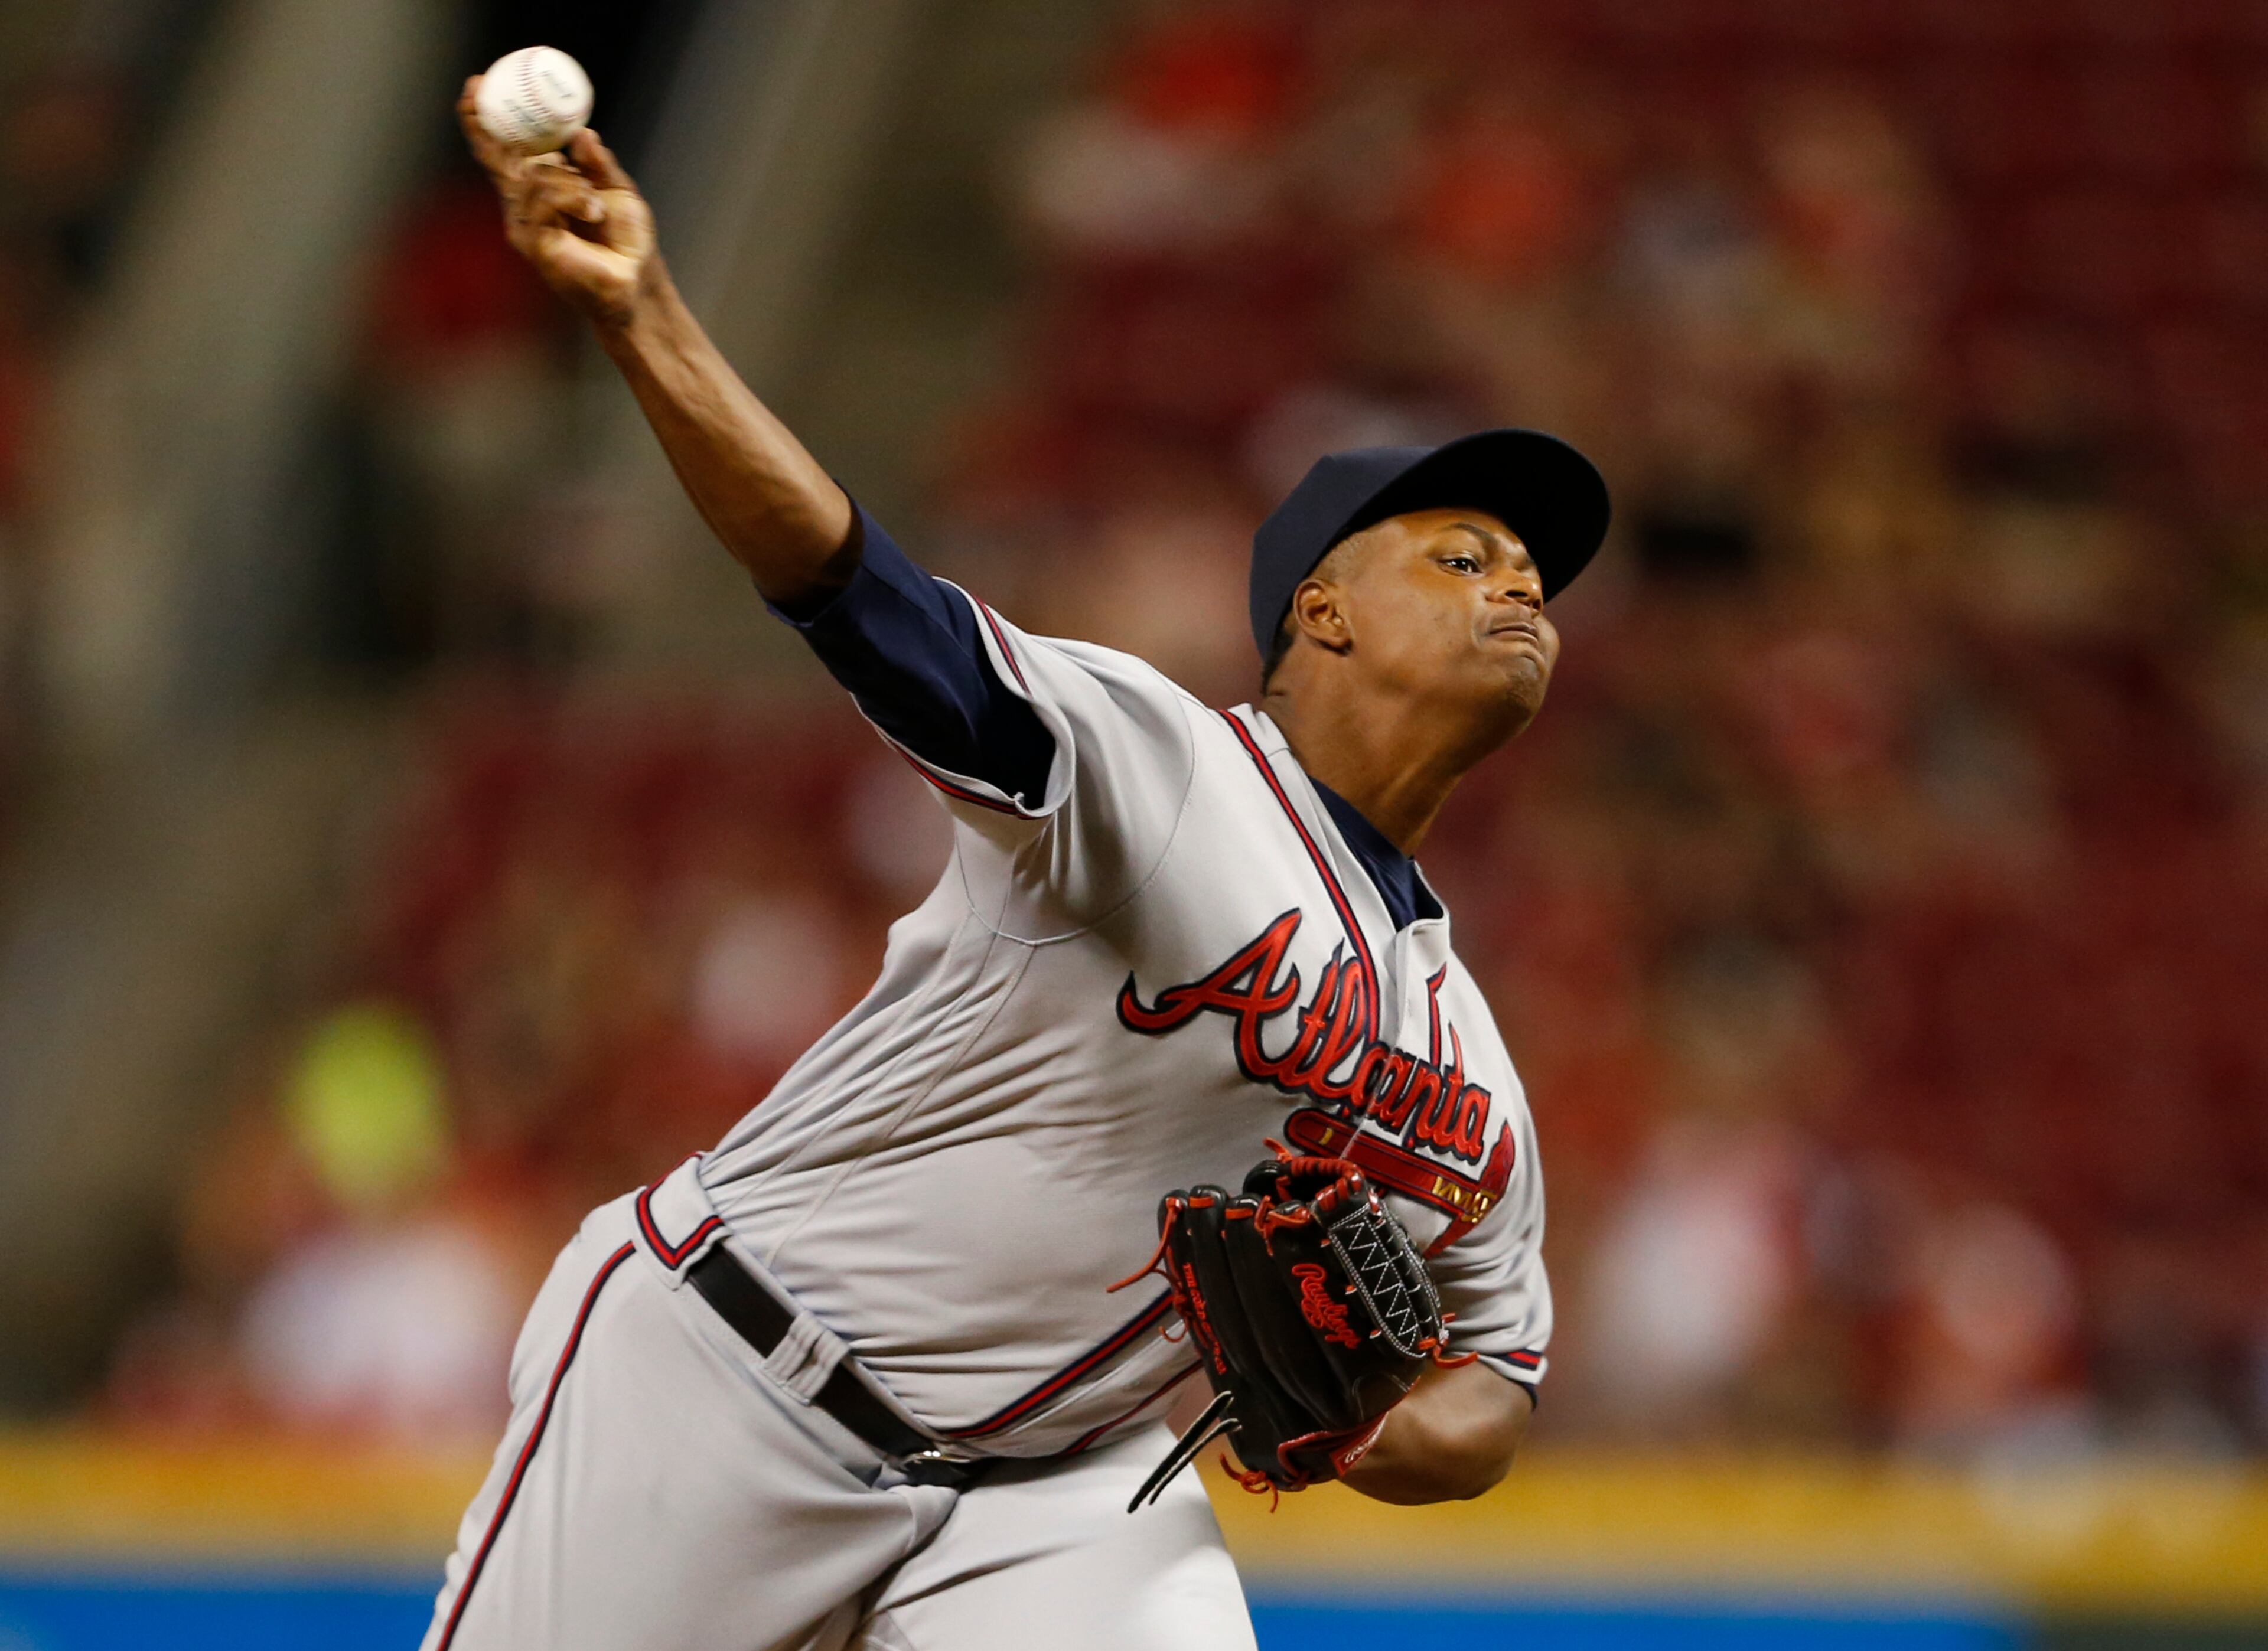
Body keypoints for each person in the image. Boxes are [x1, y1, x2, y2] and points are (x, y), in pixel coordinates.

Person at [425, 82, 1610, 1651]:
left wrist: (1367, 1427)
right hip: (734, 1373)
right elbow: (860, 593)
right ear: (1320, 611)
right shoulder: (1167, 771)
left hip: (1060, 1494)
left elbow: (1502, 1384)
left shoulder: (1469, 1068)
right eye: (1462, 556)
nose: (1517, 584)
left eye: (1533, 572)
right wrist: (648, 316)